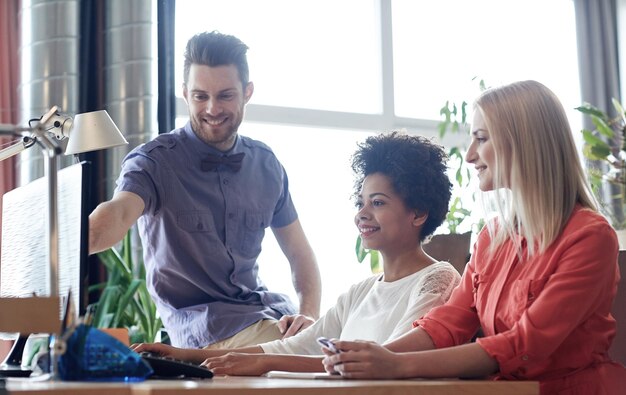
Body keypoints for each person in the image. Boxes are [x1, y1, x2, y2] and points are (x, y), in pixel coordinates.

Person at [321, 81, 626, 395]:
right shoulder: (491, 238)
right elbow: (447, 325)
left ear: (524, 142)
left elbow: (525, 344)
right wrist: (375, 356)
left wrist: (394, 364)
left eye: (481, 138)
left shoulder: (590, 237)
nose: (468, 155)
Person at [131, 131, 461, 376]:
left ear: (418, 213)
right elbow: (293, 347)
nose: (361, 213)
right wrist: (180, 354)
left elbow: (382, 360)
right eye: (360, 202)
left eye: (377, 203)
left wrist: (268, 361)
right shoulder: (360, 292)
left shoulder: (438, 279)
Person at [88, 31, 322, 349]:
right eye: (200, 96)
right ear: (185, 94)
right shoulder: (154, 162)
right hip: (206, 328)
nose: (212, 108)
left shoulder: (267, 165)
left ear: (247, 92)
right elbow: (118, 214)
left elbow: (299, 253)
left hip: (269, 315)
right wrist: (66, 244)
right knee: (310, 358)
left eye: (225, 95)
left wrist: (307, 314)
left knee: (348, 348)